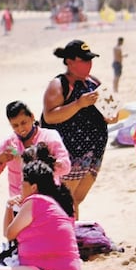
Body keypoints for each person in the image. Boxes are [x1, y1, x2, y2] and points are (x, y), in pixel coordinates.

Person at [0, 144, 80, 270]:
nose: (20, 187)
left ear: (33, 187)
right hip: (66, 268)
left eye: (23, 183)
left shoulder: (34, 201)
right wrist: (9, 206)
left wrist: (9, 207)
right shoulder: (49, 201)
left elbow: (9, 234)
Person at [42, 39, 114, 218]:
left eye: (90, 60)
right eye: (84, 60)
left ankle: (70, 235)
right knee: (67, 200)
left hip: (94, 152)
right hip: (71, 153)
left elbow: (114, 112)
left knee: (77, 199)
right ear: (70, 61)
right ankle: (69, 238)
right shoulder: (59, 85)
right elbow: (50, 116)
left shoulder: (94, 82)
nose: (89, 64)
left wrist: (110, 115)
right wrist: (78, 104)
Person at [0, 101, 70, 225]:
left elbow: (66, 167)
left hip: (48, 203)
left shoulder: (49, 137)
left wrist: (42, 161)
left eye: (23, 123)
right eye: (15, 126)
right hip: (20, 208)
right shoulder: (9, 144)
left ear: (32, 116)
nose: (20, 129)